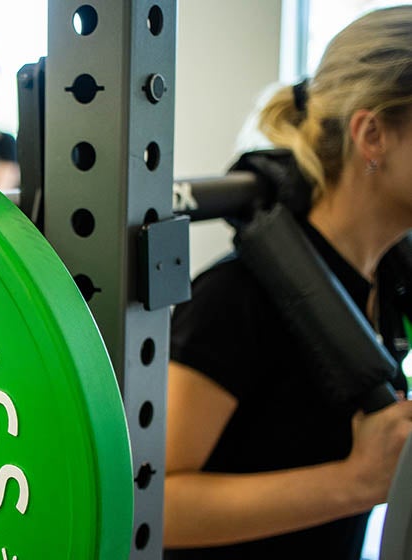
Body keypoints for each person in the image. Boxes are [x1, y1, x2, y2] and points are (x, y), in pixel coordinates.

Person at [164, 7, 412, 559]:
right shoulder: (235, 300)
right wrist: (355, 482)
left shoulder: (388, 280)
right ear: (372, 134)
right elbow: (155, 504)